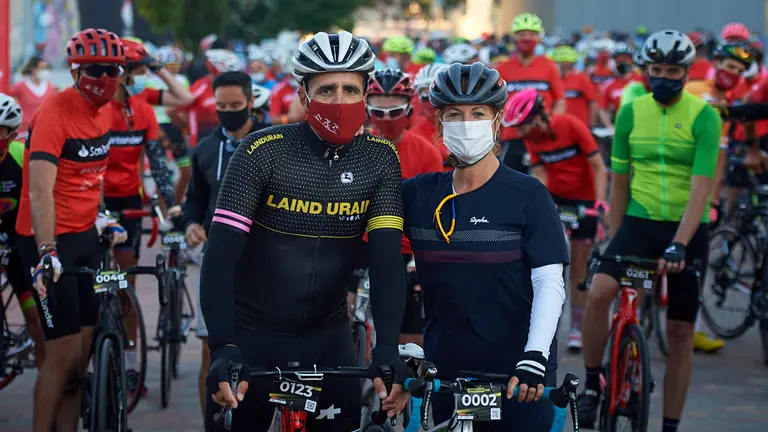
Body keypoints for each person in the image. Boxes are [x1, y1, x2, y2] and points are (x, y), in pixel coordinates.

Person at [200, 31, 410, 431]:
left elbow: (386, 262)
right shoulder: (261, 151)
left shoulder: (380, 159)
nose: (340, 100)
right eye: (326, 89)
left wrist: (387, 346)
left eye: (351, 89)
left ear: (366, 93)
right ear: (303, 95)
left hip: (328, 338)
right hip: (251, 335)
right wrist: (222, 346)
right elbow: (220, 256)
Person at [402, 62, 568, 432]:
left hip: (520, 373)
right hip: (448, 369)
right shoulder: (417, 194)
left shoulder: (529, 196)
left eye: (478, 113)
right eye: (454, 114)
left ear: (497, 120)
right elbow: (377, 257)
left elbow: (550, 282)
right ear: (440, 123)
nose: (466, 122)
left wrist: (535, 356)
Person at [578, 30, 721, 432]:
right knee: (600, 292)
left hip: (687, 228)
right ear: (646, 71)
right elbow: (619, 182)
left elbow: (701, 188)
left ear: (686, 72)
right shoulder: (631, 111)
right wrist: (612, 238)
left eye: (672, 70)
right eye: (655, 69)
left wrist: (679, 244)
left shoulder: (704, 116)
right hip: (639, 222)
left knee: (679, 333)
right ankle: (592, 386)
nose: (663, 77)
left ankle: (670, 424)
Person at [15, 28, 129, 432]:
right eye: (95, 69)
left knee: (81, 355)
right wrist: (47, 251)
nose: (106, 76)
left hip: (84, 235)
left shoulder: (110, 110)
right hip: (45, 239)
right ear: (76, 71)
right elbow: (41, 191)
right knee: (60, 355)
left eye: (113, 69)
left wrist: (104, 215)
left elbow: (92, 175)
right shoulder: (54, 112)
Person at [182, 71, 269, 417]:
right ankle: (214, 419)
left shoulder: (274, 142)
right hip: (216, 259)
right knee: (212, 347)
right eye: (221, 106)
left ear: (250, 102)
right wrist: (190, 224)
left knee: (260, 346)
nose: (228, 112)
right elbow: (193, 200)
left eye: (235, 105)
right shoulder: (205, 149)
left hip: (263, 260)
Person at [103, 38, 181, 395]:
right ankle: (94, 359)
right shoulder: (99, 109)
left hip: (130, 201)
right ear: (119, 75)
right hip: (96, 202)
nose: (140, 80)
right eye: (136, 73)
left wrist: (171, 206)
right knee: (92, 284)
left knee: (125, 285)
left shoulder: (144, 110)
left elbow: (158, 165)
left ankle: (131, 364)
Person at [504, 88, 608, 354]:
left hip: (584, 200)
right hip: (558, 200)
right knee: (550, 263)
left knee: (579, 268)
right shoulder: (533, 138)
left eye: (523, 126)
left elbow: (597, 165)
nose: (521, 132)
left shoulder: (570, 125)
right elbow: (540, 172)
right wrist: (540, 206)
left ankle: (576, 327)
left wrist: (598, 204)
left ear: (538, 118)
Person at [365, 68, 443, 346]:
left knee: (411, 311)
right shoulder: (354, 146)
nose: (386, 120)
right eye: (378, 112)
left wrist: (419, 262)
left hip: (405, 248)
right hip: (360, 243)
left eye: (394, 112)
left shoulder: (426, 153)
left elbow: (432, 215)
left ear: (410, 110)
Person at [0, 94, 46, 368]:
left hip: (18, 241)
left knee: (35, 318)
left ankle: (46, 379)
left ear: (10, 133)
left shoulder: (21, 155)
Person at [496, 12, 565, 173]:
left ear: (539, 38)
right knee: (511, 187)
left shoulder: (549, 66)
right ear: (514, 38)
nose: (526, 38)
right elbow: (495, 105)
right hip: (513, 138)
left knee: (546, 187)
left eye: (531, 34)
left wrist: (551, 124)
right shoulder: (502, 69)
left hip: (544, 136)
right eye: (521, 34)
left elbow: (560, 101)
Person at [147, 45, 193, 179]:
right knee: (163, 173)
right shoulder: (151, 81)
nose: (174, 67)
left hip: (175, 125)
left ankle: (177, 199)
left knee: (185, 170)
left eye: (176, 64)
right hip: (158, 125)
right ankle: (160, 199)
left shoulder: (183, 80)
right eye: (170, 64)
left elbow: (185, 105)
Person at [410, 63, 451, 169]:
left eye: (437, 94)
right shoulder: (416, 134)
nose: (431, 102)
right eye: (425, 96)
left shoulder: (467, 125)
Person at [8, 56, 57, 140]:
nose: (44, 71)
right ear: (33, 69)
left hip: (43, 131)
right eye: (42, 68)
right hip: (23, 133)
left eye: (45, 67)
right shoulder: (20, 86)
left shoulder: (50, 87)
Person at [551, 45, 596, 127]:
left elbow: (592, 102)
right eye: (557, 62)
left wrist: (591, 125)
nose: (560, 65)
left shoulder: (582, 78)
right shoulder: (553, 80)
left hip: (580, 125)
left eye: (562, 62)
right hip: (559, 125)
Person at [599, 44, 639, 128]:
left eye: (625, 60)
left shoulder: (640, 81)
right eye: (619, 60)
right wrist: (610, 127)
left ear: (631, 61)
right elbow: (603, 109)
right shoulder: (609, 85)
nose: (622, 63)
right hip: (620, 128)